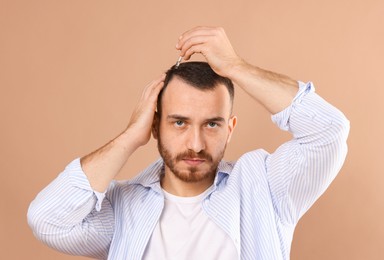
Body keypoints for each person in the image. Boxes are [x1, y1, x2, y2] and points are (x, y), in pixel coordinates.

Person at [28, 26, 350, 260]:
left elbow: (329, 131)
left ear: (230, 128)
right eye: (179, 122)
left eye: (212, 124)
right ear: (155, 126)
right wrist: (130, 137)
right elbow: (48, 220)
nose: (195, 144)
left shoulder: (266, 187)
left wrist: (236, 67)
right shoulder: (122, 210)